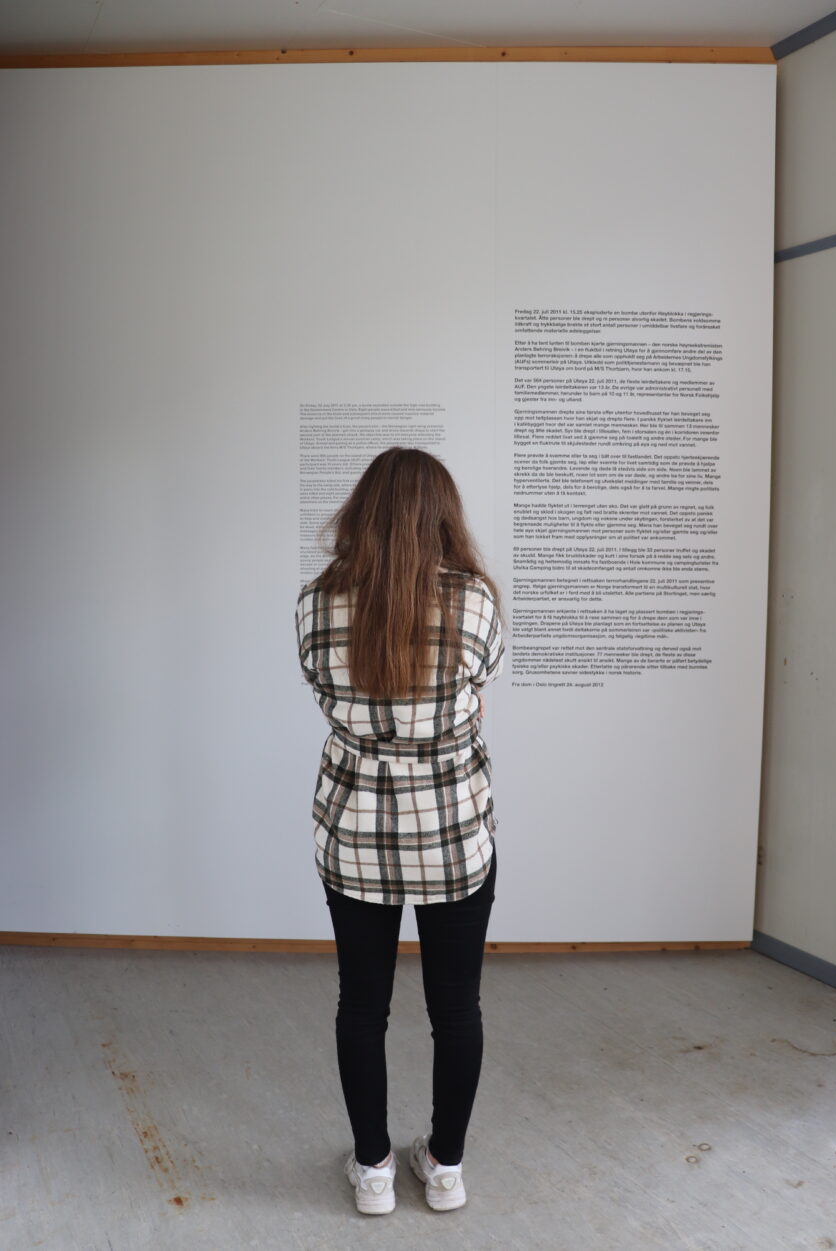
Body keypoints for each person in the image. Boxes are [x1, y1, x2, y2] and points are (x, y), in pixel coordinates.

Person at [294, 446, 505, 1215]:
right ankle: (444, 1168)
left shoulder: (318, 602)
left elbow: (326, 693)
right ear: (442, 515)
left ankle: (375, 1170)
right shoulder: (476, 601)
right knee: (458, 1008)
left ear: (361, 511)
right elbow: (475, 689)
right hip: (453, 832)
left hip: (355, 833)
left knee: (362, 1003)